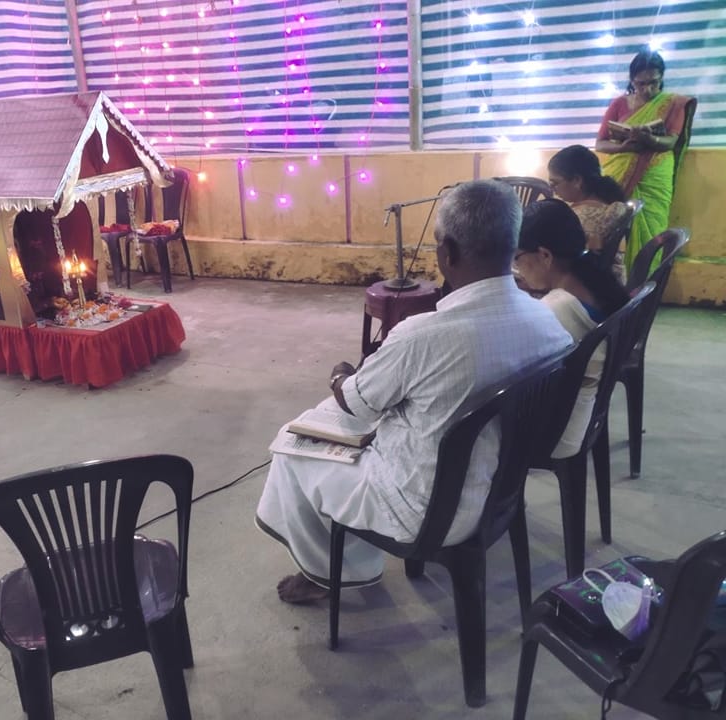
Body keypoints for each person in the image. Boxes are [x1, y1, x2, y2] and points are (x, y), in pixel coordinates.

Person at [255, 180, 574, 604]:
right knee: (343, 421)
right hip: (498, 491)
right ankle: (340, 565)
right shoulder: (547, 321)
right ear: (512, 245)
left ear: (447, 254)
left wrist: (340, 377)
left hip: (421, 510)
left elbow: (356, 408)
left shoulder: (422, 336)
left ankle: (328, 573)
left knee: (290, 447)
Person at [514, 199, 630, 457]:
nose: (518, 269)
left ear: (545, 255)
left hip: (557, 433)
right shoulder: (595, 278)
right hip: (585, 414)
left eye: (518, 257)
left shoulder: (556, 310)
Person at [595, 49, 697, 275]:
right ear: (632, 80)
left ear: (662, 78)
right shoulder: (619, 104)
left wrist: (649, 138)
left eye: (654, 83)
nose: (648, 90)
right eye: (641, 84)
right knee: (612, 228)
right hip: (620, 172)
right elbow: (600, 144)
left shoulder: (672, 103)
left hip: (655, 172)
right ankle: (613, 285)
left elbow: (671, 140)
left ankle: (644, 285)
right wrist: (622, 147)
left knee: (652, 228)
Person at [547, 145, 629, 281]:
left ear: (577, 181)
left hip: (588, 293)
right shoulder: (606, 204)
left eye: (554, 183)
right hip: (614, 287)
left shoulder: (581, 217)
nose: (553, 189)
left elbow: (563, 264)